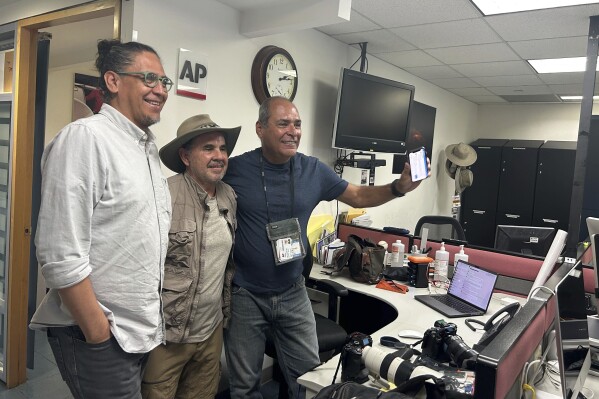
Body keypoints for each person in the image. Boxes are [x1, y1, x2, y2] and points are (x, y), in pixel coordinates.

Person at [223, 96, 429, 398]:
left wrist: (397, 187)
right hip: (245, 294)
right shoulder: (236, 169)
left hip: (292, 292)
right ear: (260, 128)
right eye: (283, 123)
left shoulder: (313, 170)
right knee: (244, 387)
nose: (293, 130)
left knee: (309, 376)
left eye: (297, 124)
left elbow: (357, 196)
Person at [29, 39, 172, 399]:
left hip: (139, 331)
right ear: (112, 80)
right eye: (149, 78)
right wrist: (98, 332)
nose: (160, 90)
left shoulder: (146, 148)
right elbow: (60, 253)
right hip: (101, 333)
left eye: (164, 82)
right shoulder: (85, 139)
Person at [141, 114, 241, 399]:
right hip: (167, 336)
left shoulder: (228, 196)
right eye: (208, 148)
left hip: (211, 333)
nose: (219, 156)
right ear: (185, 156)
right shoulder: (163, 195)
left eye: (222, 149)